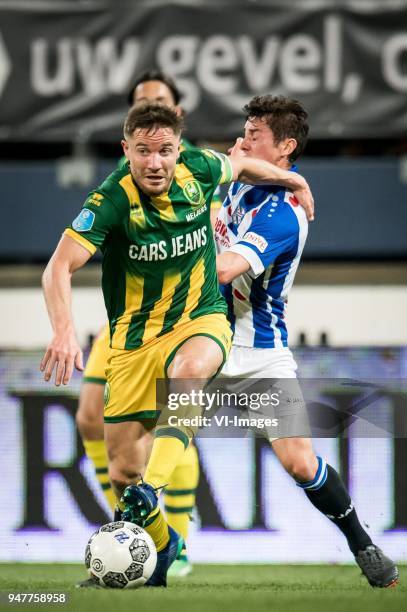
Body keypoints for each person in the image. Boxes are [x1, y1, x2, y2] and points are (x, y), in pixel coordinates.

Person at [120, 95, 398, 589]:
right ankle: (158, 540)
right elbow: (182, 160)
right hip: (203, 334)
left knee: (299, 462)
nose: (244, 140)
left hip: (258, 351)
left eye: (256, 134)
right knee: (146, 430)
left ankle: (361, 541)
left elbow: (225, 269)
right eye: (245, 131)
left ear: (286, 146)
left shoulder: (283, 215)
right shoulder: (238, 179)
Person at [40, 101, 314, 587]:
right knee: (121, 472)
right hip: (133, 341)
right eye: (143, 151)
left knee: (188, 373)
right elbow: (58, 266)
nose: (155, 163)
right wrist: (63, 328)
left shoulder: (199, 167)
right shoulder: (111, 200)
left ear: (178, 150)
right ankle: (166, 547)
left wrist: (293, 181)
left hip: (199, 318)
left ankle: (153, 489)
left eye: (165, 150)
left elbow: (243, 164)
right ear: (127, 151)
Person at [76, 69, 212, 578]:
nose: (150, 105)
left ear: (176, 115)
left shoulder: (194, 166)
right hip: (126, 321)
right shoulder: (124, 171)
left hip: (181, 314)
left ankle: (175, 538)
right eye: (140, 101)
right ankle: (130, 518)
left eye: (159, 100)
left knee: (173, 412)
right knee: (91, 416)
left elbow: (213, 231)